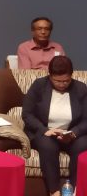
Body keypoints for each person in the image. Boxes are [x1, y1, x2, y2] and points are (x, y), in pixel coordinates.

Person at [23, 56, 87, 196]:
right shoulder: (39, 85)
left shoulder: (81, 88)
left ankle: (75, 190)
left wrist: (74, 132)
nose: (62, 84)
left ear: (71, 75)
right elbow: (27, 114)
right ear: (50, 75)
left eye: (66, 80)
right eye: (57, 81)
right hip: (46, 132)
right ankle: (54, 191)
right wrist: (44, 130)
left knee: (83, 145)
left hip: (71, 133)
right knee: (48, 146)